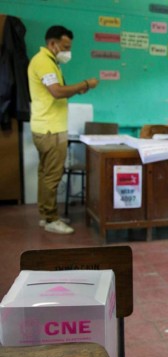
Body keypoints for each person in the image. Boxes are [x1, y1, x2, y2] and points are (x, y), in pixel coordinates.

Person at [28, 25, 98, 234]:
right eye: (65, 46)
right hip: (51, 129)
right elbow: (57, 92)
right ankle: (51, 218)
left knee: (45, 174)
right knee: (52, 175)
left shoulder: (50, 62)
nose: (68, 51)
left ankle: (45, 214)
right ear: (52, 43)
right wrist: (85, 83)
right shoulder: (43, 62)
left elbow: (58, 93)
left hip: (45, 126)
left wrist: (78, 90)